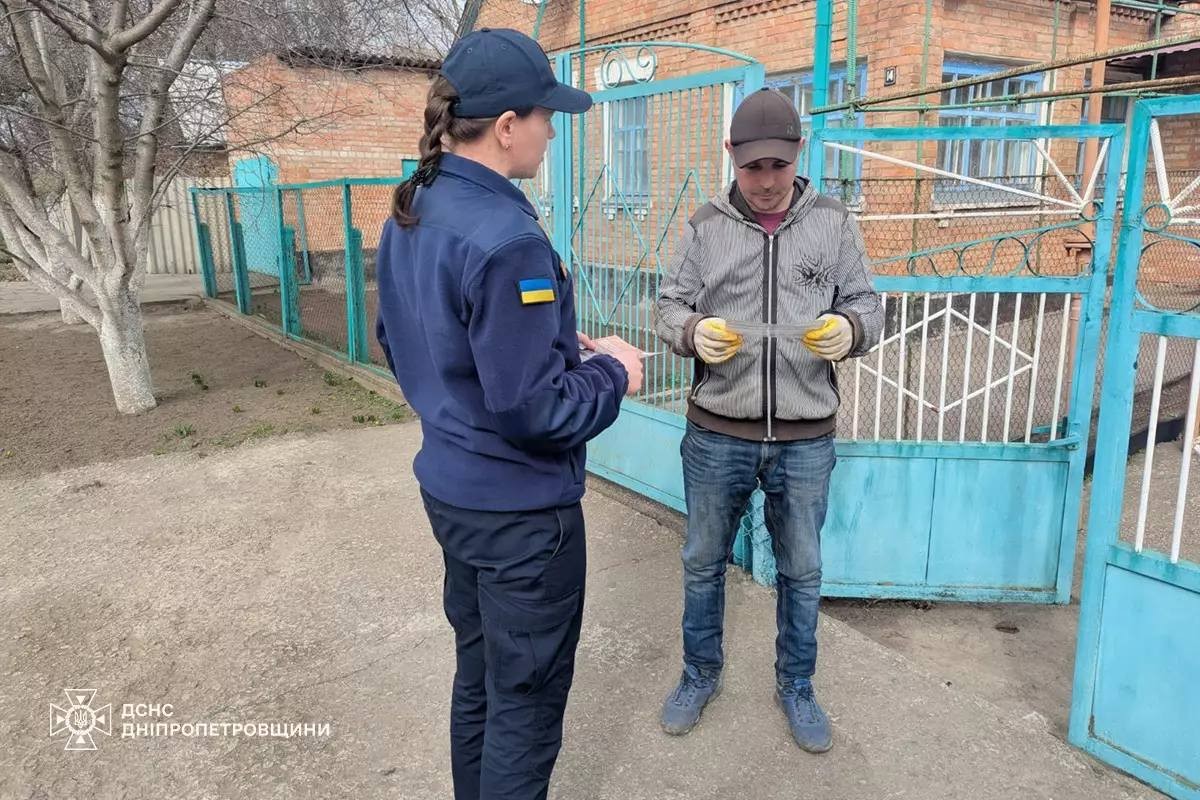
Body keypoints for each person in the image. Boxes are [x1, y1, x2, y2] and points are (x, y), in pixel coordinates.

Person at [374, 28, 644, 800]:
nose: (552, 131)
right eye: (545, 116)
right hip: (522, 519)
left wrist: (472, 396)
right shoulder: (506, 238)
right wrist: (613, 374)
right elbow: (534, 412)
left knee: (482, 678)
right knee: (523, 706)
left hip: (453, 493)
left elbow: (400, 342)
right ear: (504, 126)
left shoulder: (413, 209)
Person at [654, 87, 883, 754]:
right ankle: (699, 675)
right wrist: (693, 331)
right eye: (751, 167)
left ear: (796, 155)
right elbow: (668, 306)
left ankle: (798, 686)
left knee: (802, 570)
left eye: (777, 166)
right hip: (717, 431)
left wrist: (851, 327)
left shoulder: (833, 223)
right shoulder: (705, 226)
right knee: (702, 562)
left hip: (806, 437)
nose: (765, 182)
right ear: (732, 157)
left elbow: (870, 304)